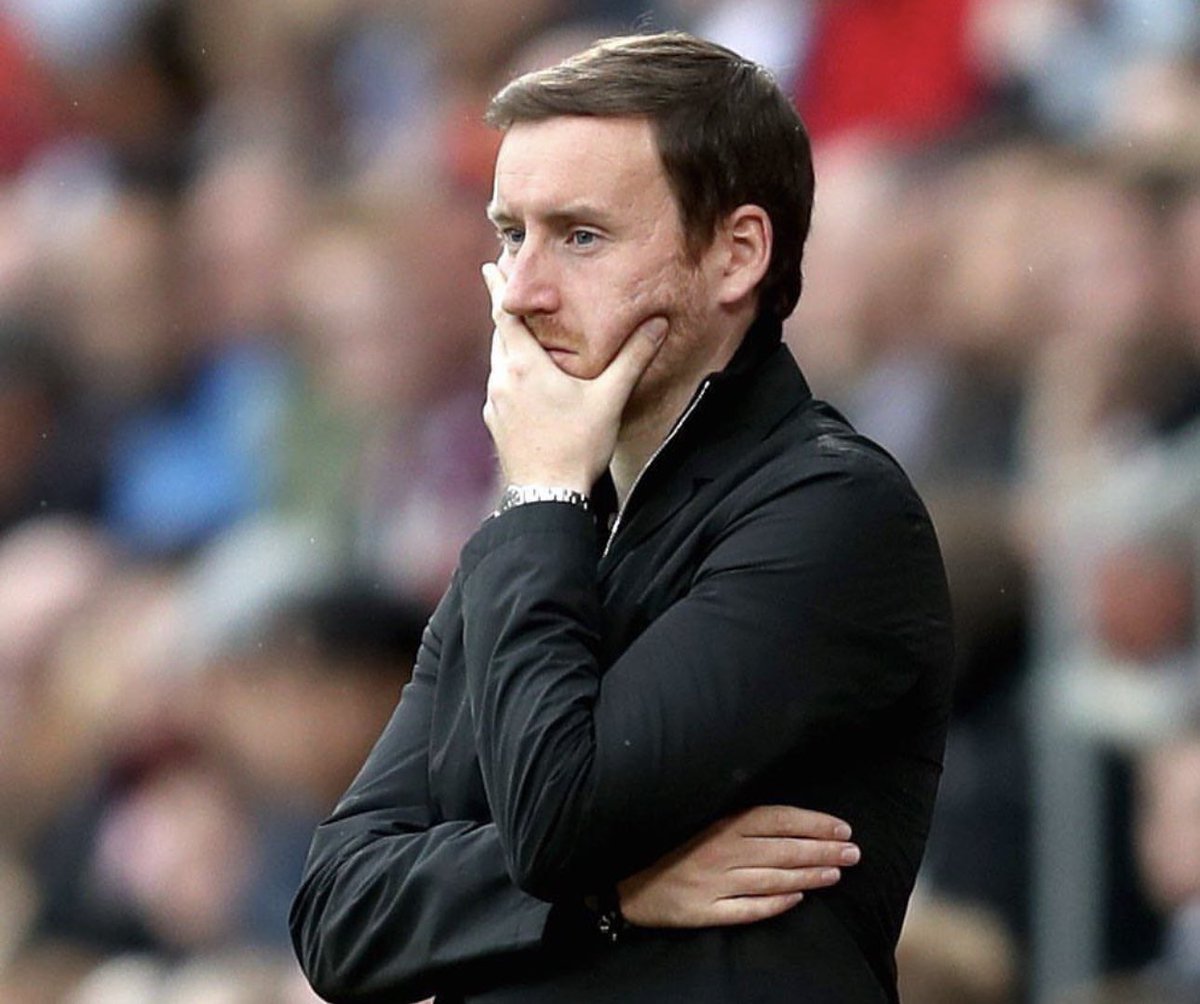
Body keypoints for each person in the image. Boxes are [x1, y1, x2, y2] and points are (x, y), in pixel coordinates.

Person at [290, 31, 953, 1004]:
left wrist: (544, 494)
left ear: (737, 254)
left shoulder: (833, 513)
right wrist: (615, 897)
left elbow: (560, 819)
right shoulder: (532, 534)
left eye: (581, 237)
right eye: (511, 235)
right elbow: (338, 911)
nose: (523, 291)